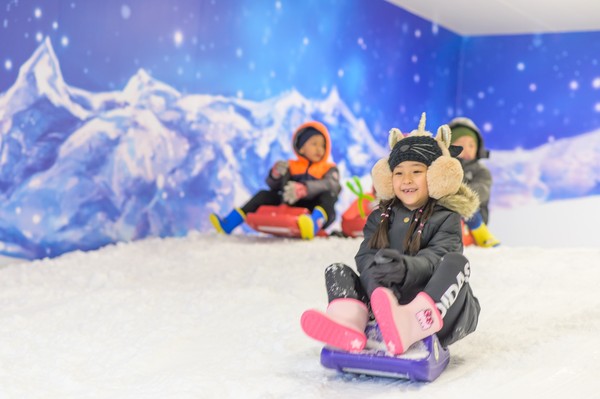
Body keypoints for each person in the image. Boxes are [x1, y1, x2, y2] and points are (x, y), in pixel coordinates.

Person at [300, 114, 481, 355]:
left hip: (436, 311)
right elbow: (365, 255)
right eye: (398, 173)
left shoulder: (446, 217)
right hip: (386, 305)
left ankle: (410, 324)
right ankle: (349, 325)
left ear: (436, 176)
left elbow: (436, 257)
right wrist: (378, 277)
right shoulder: (380, 216)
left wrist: (405, 268)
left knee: (457, 263)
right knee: (337, 271)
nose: (406, 180)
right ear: (388, 178)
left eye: (416, 171)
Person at [209, 121, 341, 240]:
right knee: (263, 194)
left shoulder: (329, 168)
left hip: (313, 207)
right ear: (301, 148)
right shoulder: (291, 165)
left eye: (323, 145)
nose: (319, 149)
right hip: (291, 204)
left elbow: (332, 185)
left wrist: (305, 189)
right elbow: (274, 186)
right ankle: (229, 223)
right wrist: (276, 175)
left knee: (328, 196)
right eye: (314, 144)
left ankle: (313, 223)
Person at [448, 117, 500, 248]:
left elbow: (481, 191)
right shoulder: (444, 168)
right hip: (449, 212)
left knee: (467, 207)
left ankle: (482, 235)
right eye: (461, 145)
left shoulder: (481, 171)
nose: (467, 149)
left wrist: (456, 194)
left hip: (473, 215)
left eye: (471, 145)